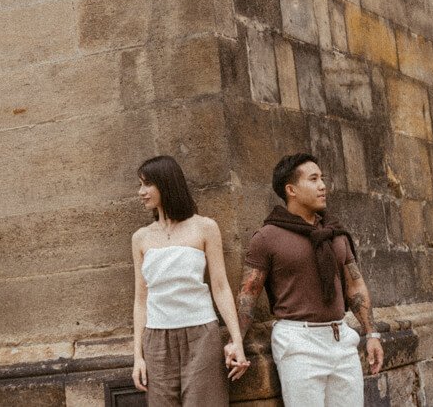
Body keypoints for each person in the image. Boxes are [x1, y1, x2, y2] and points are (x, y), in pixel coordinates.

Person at [224, 152, 384, 406]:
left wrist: (372, 333)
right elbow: (248, 296)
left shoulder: (335, 233)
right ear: (291, 190)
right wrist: (236, 341)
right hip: (298, 342)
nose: (323, 186)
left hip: (341, 339)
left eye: (322, 178)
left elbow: (355, 286)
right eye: (313, 179)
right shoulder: (267, 237)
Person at [131, 155, 250, 405]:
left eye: (147, 184)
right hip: (157, 340)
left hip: (201, 335)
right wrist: (138, 357)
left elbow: (220, 287)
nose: (141, 192)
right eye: (140, 185)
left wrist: (237, 341)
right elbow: (141, 299)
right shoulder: (140, 238)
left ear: (166, 184)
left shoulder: (205, 227)